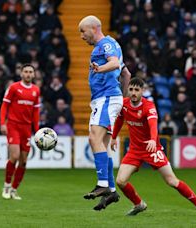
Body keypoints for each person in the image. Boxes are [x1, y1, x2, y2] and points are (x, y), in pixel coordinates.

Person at [110, 77, 196, 216]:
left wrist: (152, 140)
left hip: (152, 149)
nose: (133, 93)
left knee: (172, 181)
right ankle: (139, 204)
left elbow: (153, 124)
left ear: (143, 91)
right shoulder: (124, 104)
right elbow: (120, 119)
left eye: (137, 90)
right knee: (120, 181)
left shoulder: (149, 106)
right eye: (131, 89)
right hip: (134, 150)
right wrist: (114, 137)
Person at [78, 15, 129, 210]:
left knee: (94, 139)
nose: (82, 36)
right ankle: (112, 190)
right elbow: (126, 74)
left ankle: (103, 184)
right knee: (103, 146)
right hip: (109, 98)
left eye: (83, 31)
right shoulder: (112, 44)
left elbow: (115, 64)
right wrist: (123, 101)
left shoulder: (106, 44)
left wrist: (99, 69)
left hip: (106, 97)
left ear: (93, 28)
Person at [0, 63, 40, 200]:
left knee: (23, 161)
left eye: (30, 72)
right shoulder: (14, 88)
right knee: (15, 156)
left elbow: (36, 112)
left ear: (34, 74)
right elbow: (4, 105)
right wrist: (2, 123)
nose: (28, 74)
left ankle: (14, 189)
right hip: (13, 125)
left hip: (26, 128)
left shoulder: (36, 90)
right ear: (21, 73)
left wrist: (37, 131)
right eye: (26, 71)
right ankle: (6, 185)